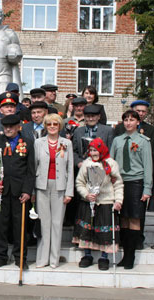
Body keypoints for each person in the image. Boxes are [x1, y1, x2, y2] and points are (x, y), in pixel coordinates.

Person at [0, 114, 35, 269]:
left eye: (11, 126)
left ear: (18, 127)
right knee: (1, 225)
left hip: (20, 191)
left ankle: (20, 257)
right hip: (1, 189)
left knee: (20, 226)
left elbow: (31, 170)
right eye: (5, 126)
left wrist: (28, 191)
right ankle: (0, 256)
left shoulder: (28, 143)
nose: (8, 129)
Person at [110, 110, 152, 269]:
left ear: (137, 122)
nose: (128, 123)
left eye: (131, 120)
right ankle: (124, 255)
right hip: (120, 182)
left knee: (134, 219)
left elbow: (148, 166)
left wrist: (147, 188)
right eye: (126, 120)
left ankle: (130, 257)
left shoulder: (143, 141)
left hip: (136, 182)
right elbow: (111, 163)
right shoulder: (117, 140)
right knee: (123, 219)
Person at [73, 138, 123, 271]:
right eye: (91, 150)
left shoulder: (111, 163)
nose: (93, 153)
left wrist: (118, 201)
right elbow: (80, 182)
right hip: (89, 202)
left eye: (96, 150)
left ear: (102, 150)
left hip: (105, 201)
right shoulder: (86, 163)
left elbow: (118, 183)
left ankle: (104, 257)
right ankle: (87, 255)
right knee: (87, 229)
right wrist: (86, 194)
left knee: (105, 231)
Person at [34, 113, 73, 268]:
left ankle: (54, 259)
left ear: (59, 126)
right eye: (49, 124)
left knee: (57, 223)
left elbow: (70, 168)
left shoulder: (66, 143)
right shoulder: (38, 143)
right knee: (44, 223)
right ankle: (42, 258)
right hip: (42, 185)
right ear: (45, 126)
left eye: (55, 124)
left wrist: (69, 192)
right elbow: (34, 166)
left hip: (60, 186)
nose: (52, 127)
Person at [73, 105, 114, 169]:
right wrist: (79, 162)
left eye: (93, 116)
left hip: (102, 168)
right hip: (83, 167)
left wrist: (106, 164)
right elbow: (74, 151)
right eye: (88, 116)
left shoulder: (108, 131)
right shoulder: (78, 131)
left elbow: (111, 151)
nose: (91, 119)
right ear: (84, 117)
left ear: (99, 117)